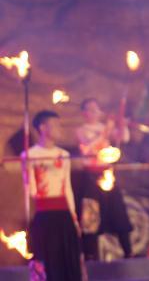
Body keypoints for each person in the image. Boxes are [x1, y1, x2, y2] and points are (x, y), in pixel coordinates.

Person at [24, 110, 85, 281]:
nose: (59, 129)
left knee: (68, 260)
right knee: (48, 261)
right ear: (43, 128)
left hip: (64, 213)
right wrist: (36, 168)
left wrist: (73, 217)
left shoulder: (63, 155)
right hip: (44, 214)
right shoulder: (30, 155)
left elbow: (67, 188)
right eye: (55, 125)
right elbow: (31, 190)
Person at [74, 98, 133, 259]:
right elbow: (88, 147)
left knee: (118, 211)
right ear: (84, 113)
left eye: (96, 109)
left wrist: (122, 125)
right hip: (90, 176)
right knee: (90, 215)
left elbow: (124, 138)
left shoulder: (104, 128)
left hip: (108, 173)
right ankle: (90, 254)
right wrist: (106, 130)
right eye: (90, 109)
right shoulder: (81, 130)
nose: (93, 113)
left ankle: (128, 251)